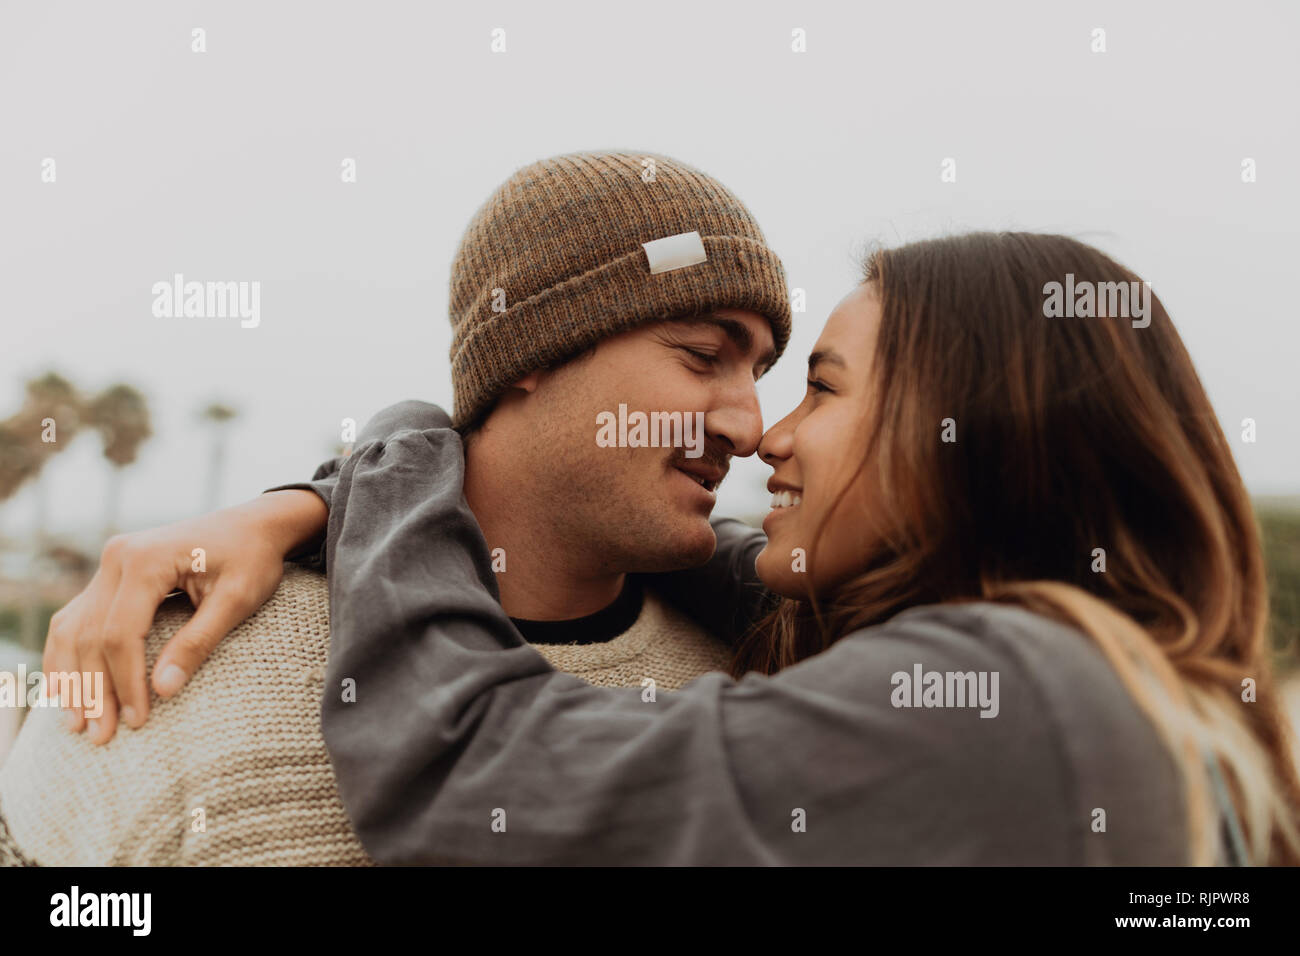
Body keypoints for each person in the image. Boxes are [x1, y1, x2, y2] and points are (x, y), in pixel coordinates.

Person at [101, 231, 1299, 865]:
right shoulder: (1126, 690)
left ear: (974, 431)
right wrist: (305, 505)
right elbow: (699, 560)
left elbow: (477, 772)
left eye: (815, 386)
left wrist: (403, 449)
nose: (764, 431)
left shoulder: (1003, 698)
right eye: (703, 356)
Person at [0, 150, 792, 865]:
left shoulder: (758, 680)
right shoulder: (165, 669)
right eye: (702, 356)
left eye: (759, 370)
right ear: (534, 354)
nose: (749, 426)